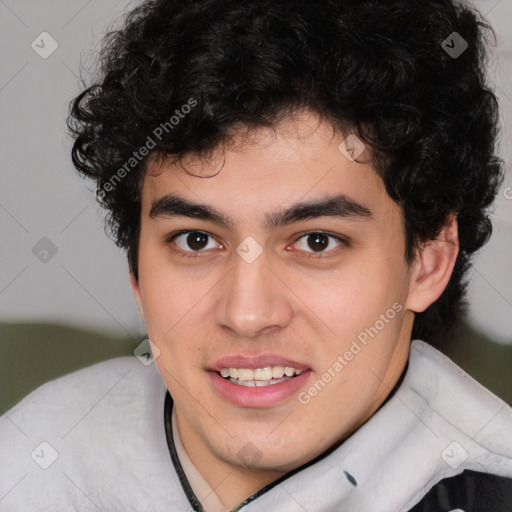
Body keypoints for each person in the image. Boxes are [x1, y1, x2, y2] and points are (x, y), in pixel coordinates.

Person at [1, 0, 511, 510]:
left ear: (428, 261)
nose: (247, 315)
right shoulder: (36, 459)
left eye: (317, 241)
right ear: (136, 271)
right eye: (196, 240)